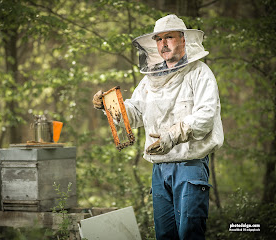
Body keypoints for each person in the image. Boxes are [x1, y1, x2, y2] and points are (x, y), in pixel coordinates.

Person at [92, 14, 224, 240]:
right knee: (165, 235)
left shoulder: (199, 73)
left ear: (183, 40)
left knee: (189, 233)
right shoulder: (149, 80)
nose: (163, 44)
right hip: (160, 170)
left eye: (169, 37)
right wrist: (108, 106)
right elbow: (134, 114)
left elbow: (206, 117)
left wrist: (172, 135)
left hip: (190, 165)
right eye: (159, 39)